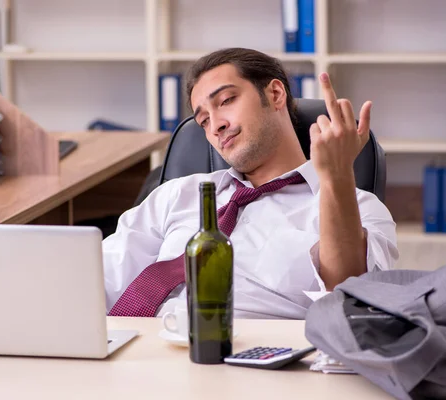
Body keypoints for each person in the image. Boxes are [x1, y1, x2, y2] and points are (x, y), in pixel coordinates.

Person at [102, 48, 398, 319]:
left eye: (227, 101)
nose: (216, 125)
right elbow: (101, 278)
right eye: (203, 120)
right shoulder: (176, 195)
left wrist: (337, 177)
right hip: (146, 352)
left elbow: (349, 299)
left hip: (253, 360)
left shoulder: (358, 207)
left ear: (275, 94)